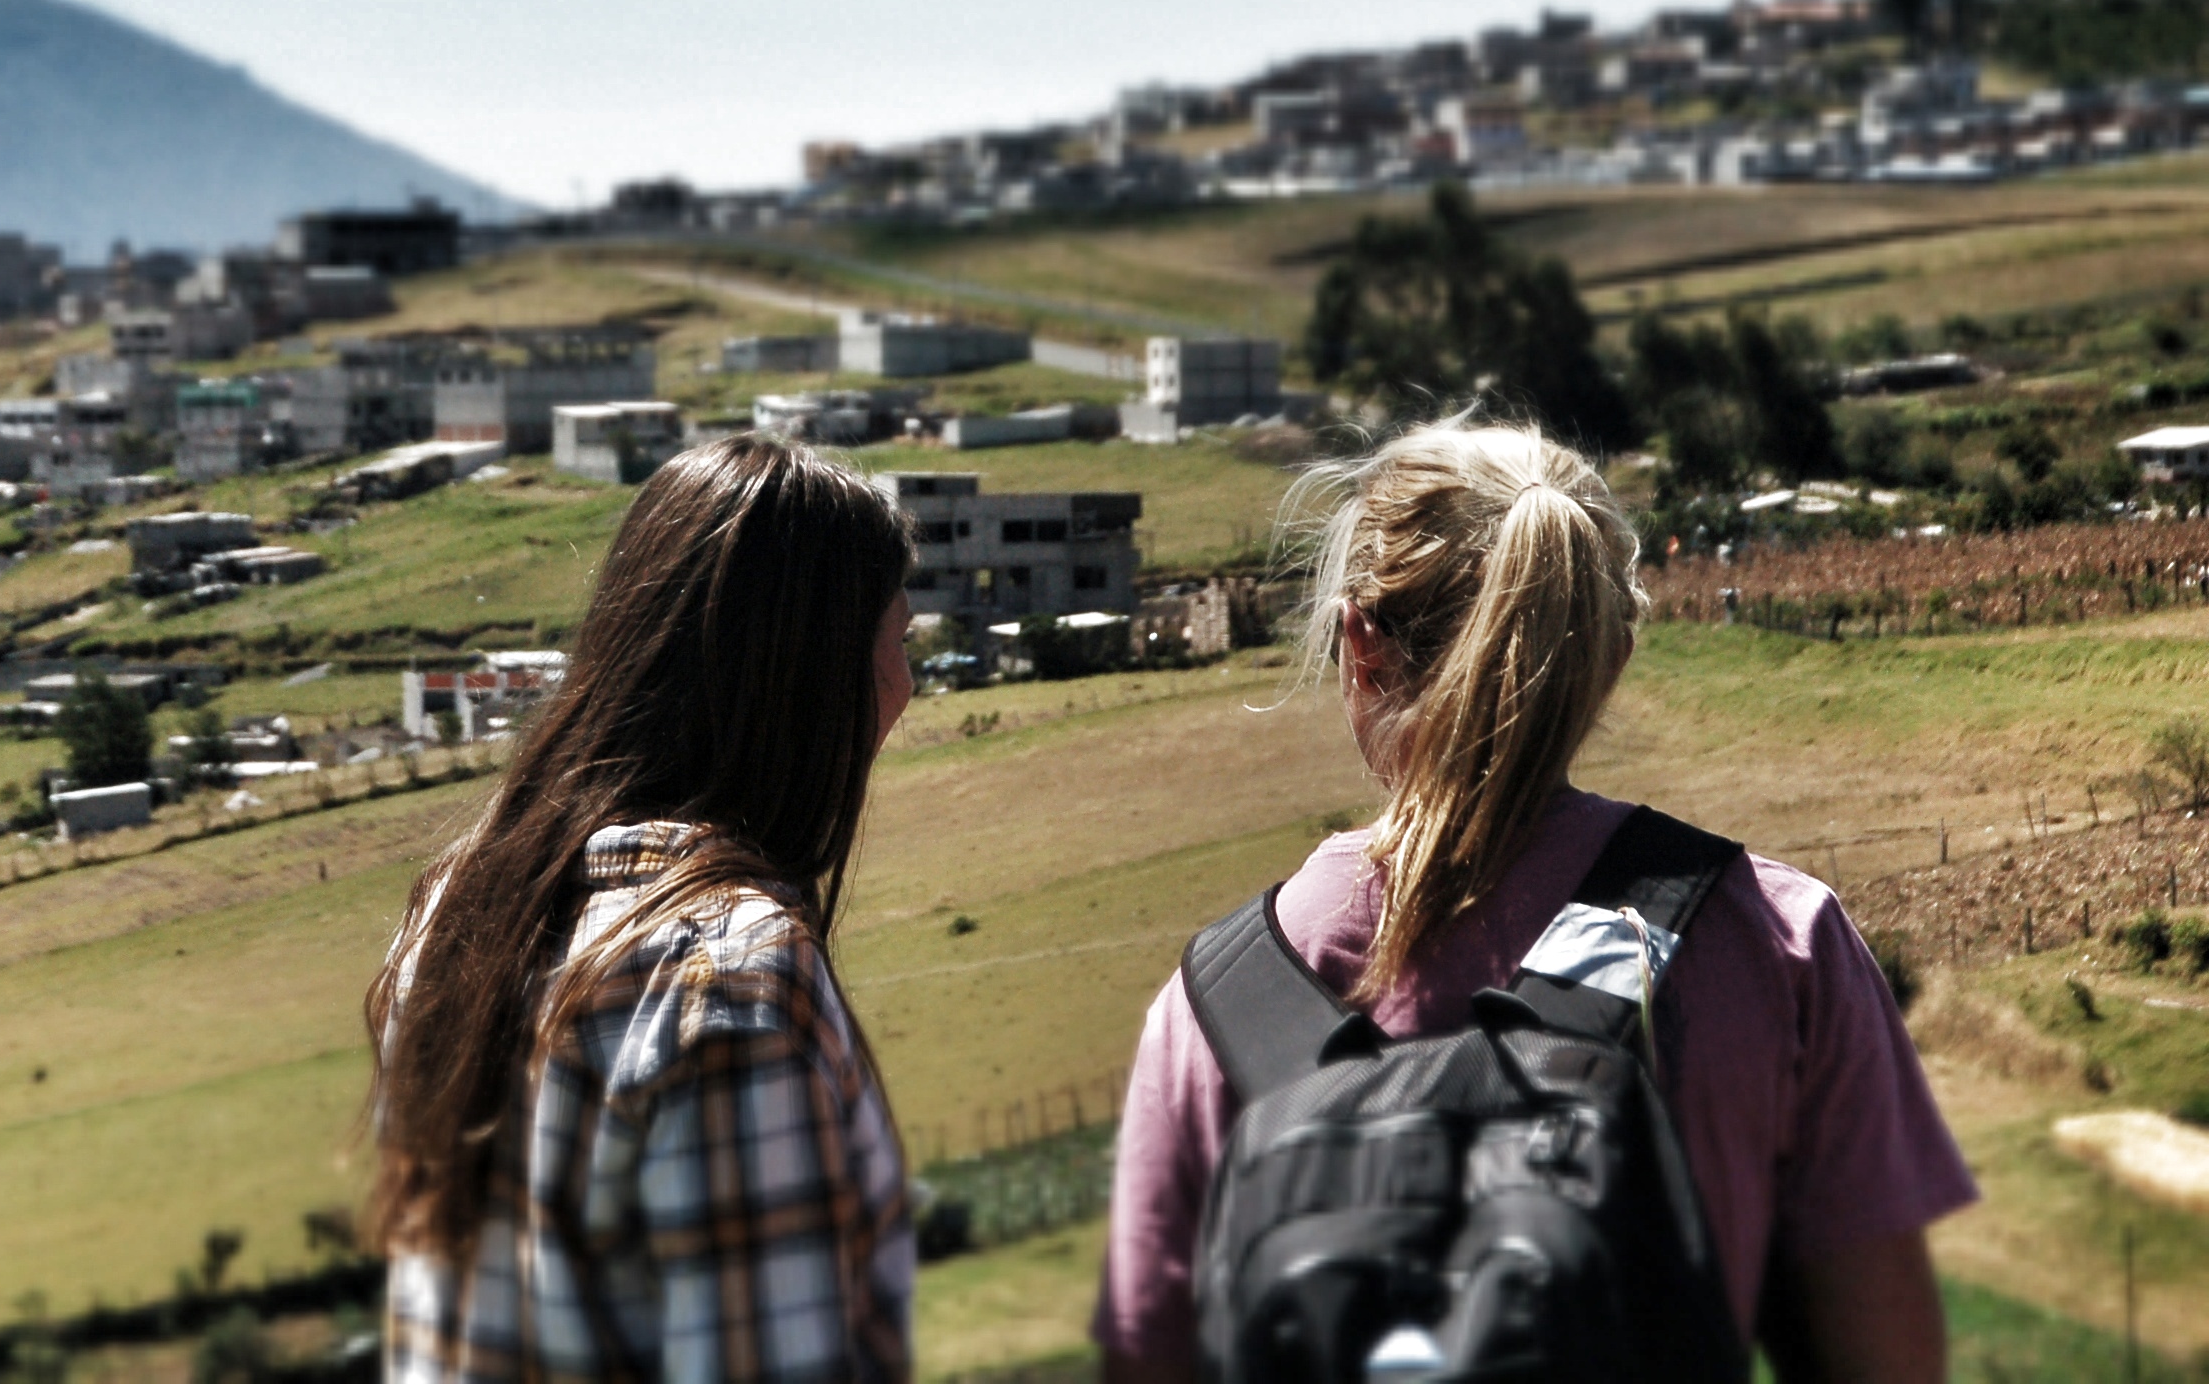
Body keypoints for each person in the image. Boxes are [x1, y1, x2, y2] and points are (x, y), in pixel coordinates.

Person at [1096, 417, 1975, 1384]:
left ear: (1360, 647)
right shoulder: (1778, 941)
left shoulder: (1216, 1005)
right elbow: (1887, 1359)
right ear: (1611, 660)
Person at [369, 432, 921, 1384]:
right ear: (811, 675)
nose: (908, 686)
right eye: (900, 641)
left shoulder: (460, 908)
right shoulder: (729, 980)